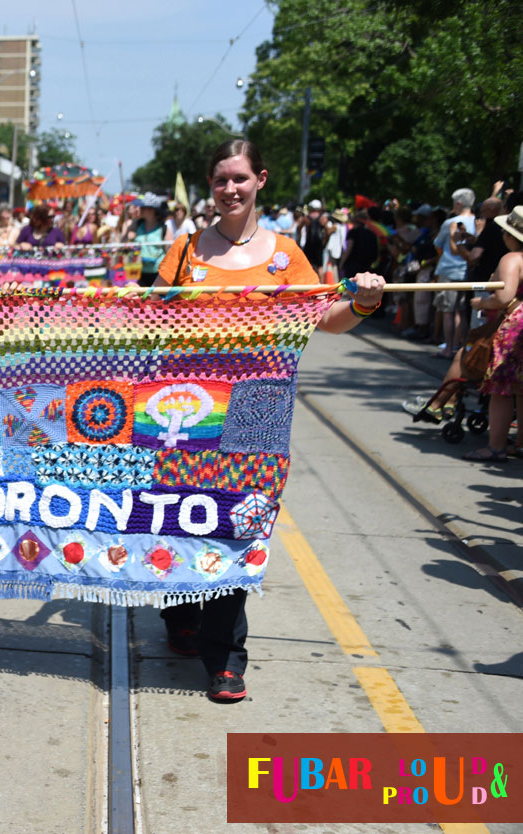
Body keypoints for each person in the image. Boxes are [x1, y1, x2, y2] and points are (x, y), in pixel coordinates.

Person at [153, 139, 385, 702]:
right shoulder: (185, 250)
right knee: (180, 515)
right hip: (187, 407)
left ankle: (225, 658)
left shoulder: (285, 254)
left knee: (238, 522)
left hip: (259, 406)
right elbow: (151, 315)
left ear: (260, 179)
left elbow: (327, 318)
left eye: (239, 178)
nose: (229, 189)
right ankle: (180, 615)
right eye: (220, 180)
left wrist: (363, 300)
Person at [463, 205, 523, 462]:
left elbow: (504, 297)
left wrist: (481, 303)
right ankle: (520, 443)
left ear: (511, 235)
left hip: (516, 325)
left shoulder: (512, 259)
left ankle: (496, 446)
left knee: (502, 388)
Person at [431, 188, 478, 358]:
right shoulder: (478, 222)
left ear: (458, 203)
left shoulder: (451, 222)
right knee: (462, 311)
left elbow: (438, 244)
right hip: (468, 272)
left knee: (448, 311)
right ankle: (460, 347)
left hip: (449, 271)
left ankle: (448, 347)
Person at [123, 194, 172, 286]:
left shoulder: (163, 228)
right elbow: (123, 242)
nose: (139, 209)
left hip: (159, 273)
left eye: (143, 207)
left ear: (152, 210)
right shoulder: (137, 224)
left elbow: (170, 253)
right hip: (141, 272)